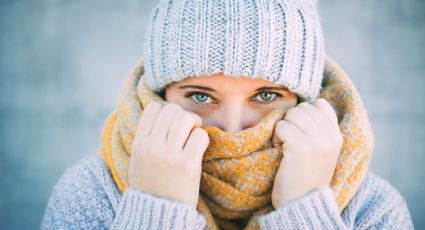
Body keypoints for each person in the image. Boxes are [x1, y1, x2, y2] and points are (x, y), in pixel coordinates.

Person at [41, 0, 414, 229]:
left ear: (305, 102)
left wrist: (306, 212)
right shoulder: (91, 193)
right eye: (201, 96)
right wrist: (156, 210)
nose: (233, 129)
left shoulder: (370, 209)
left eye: (267, 95)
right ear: (159, 97)